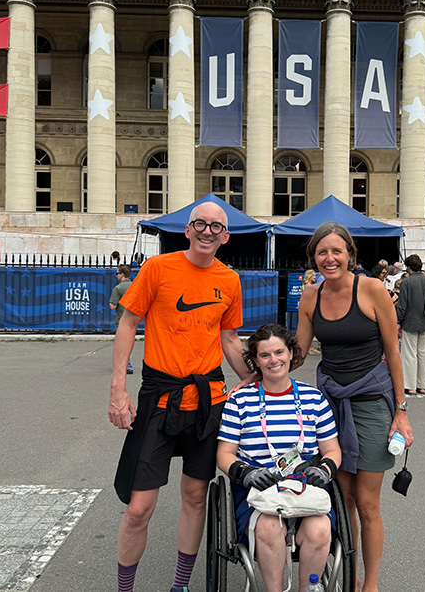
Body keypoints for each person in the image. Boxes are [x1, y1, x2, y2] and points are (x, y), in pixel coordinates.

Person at [108, 201, 252, 592]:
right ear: (187, 230)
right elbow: (128, 323)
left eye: (216, 227)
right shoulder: (158, 268)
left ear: (226, 237)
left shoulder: (229, 279)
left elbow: (229, 338)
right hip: (160, 393)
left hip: (208, 400)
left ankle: (180, 586)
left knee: (194, 495)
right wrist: (118, 388)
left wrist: (258, 379)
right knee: (138, 508)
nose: (208, 232)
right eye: (200, 224)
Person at [297, 222, 412, 592]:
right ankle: (351, 576)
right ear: (314, 258)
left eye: (336, 251)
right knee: (342, 498)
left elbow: (393, 352)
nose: (329, 258)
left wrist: (401, 410)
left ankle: (371, 585)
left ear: (350, 254)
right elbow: (297, 354)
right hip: (329, 405)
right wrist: (256, 374)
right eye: (322, 252)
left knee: (366, 503)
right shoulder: (310, 297)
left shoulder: (373, 289)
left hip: (370, 404)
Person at [217, 324, 341, 592]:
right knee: (269, 527)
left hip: (305, 485)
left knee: (320, 529)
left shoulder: (313, 398)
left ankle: (308, 588)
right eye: (265, 355)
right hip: (259, 490)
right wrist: (245, 473)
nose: (274, 360)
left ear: (290, 354)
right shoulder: (240, 400)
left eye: (279, 352)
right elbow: (224, 454)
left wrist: (326, 470)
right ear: (256, 361)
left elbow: (332, 450)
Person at [396, 254, 425, 396]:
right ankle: (422, 385)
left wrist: (398, 321)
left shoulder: (406, 283)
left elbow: (402, 305)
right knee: (423, 354)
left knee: (409, 354)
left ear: (409, 267)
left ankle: (410, 385)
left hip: (410, 321)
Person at [110, 264, 134, 374]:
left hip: (121, 319)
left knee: (121, 344)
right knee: (129, 343)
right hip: (133, 319)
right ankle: (127, 365)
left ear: (122, 274)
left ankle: (126, 366)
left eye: (117, 273)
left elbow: (112, 306)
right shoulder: (135, 286)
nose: (116, 276)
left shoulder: (118, 288)